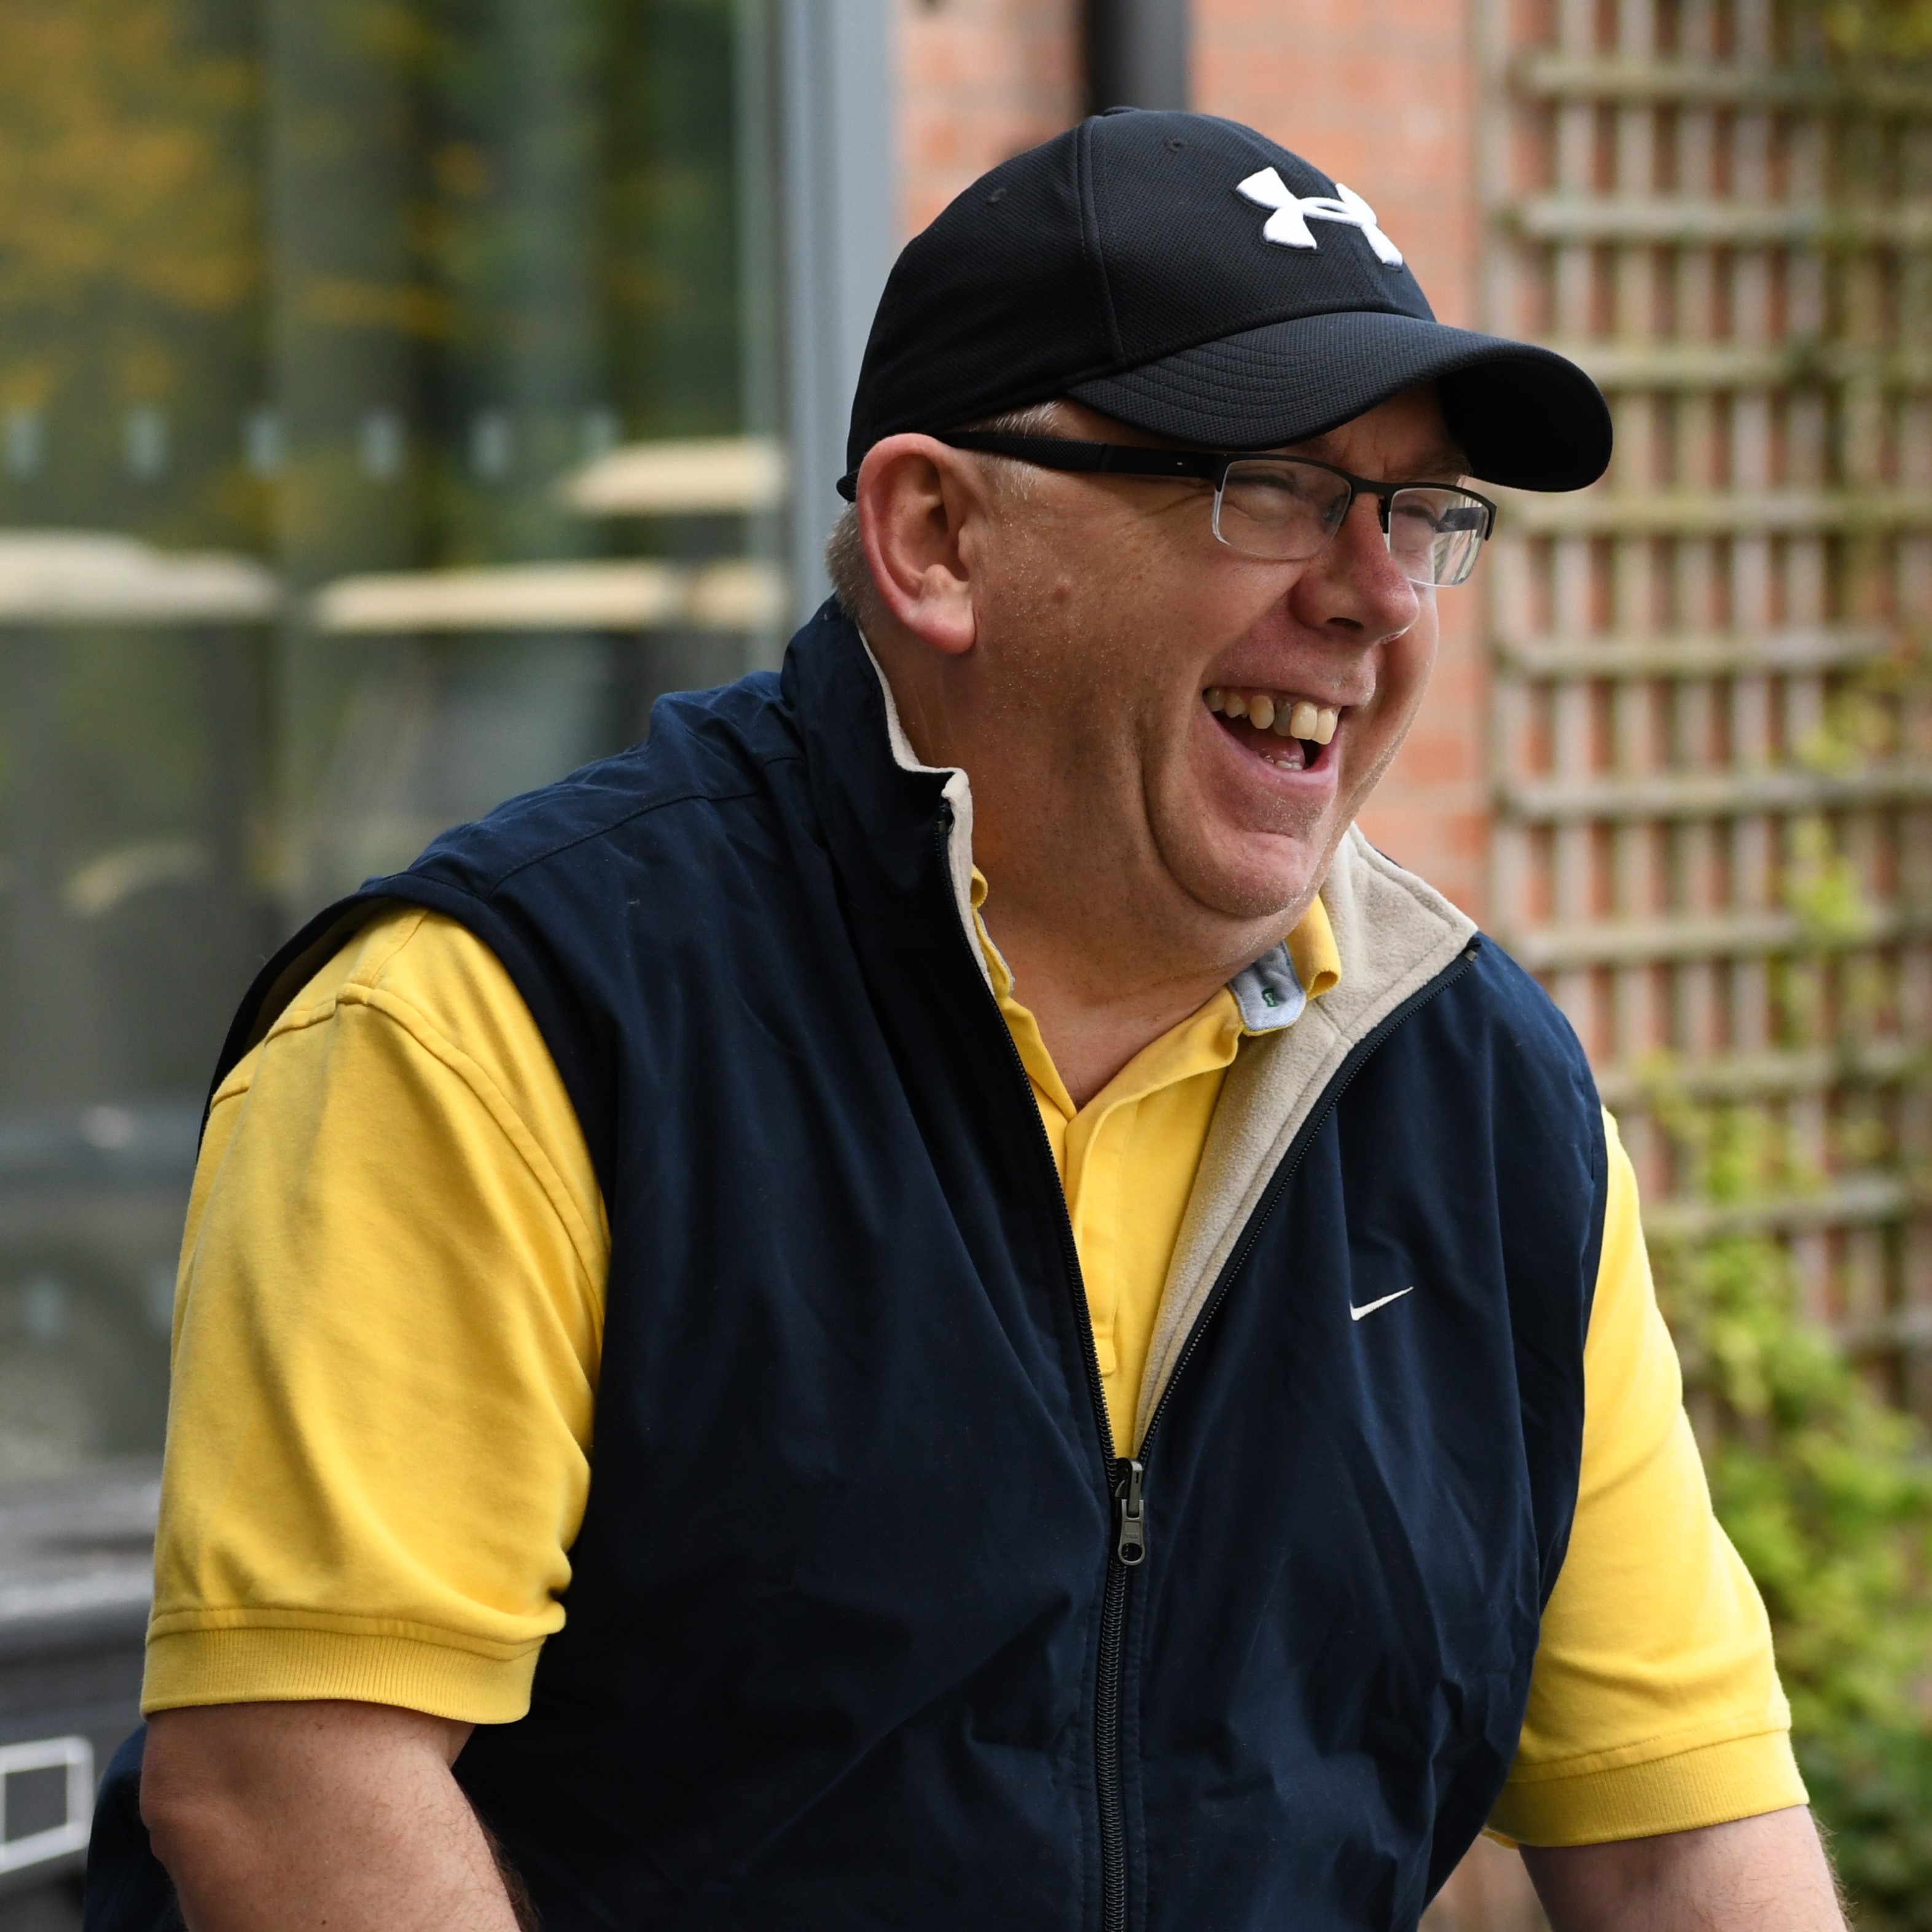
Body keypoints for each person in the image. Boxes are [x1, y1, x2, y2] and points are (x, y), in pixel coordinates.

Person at [94, 111, 1844, 1931]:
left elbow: (1680, 1844)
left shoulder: (1481, 1103)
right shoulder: (508, 1026)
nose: (1376, 593)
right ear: (936, 536)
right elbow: (293, 1791)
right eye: (1271, 487)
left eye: (1418, 512)